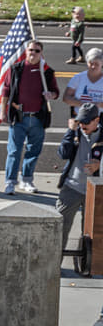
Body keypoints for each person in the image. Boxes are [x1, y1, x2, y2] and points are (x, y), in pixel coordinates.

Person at [4, 38, 58, 194]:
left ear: (41, 53)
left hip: (38, 118)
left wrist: (51, 95)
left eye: (37, 51)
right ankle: (10, 182)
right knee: (14, 151)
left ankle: (26, 180)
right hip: (19, 116)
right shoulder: (16, 69)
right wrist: (2, 110)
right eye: (30, 50)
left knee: (33, 150)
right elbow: (6, 90)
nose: (33, 53)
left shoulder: (47, 72)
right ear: (25, 52)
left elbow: (56, 92)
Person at [56, 104, 102, 259]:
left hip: (95, 191)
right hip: (71, 188)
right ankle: (55, 264)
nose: (82, 126)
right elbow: (63, 153)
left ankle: (86, 265)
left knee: (91, 232)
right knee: (59, 228)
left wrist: (100, 165)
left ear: (97, 120)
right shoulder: (76, 133)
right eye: (80, 122)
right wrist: (70, 131)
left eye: (86, 122)